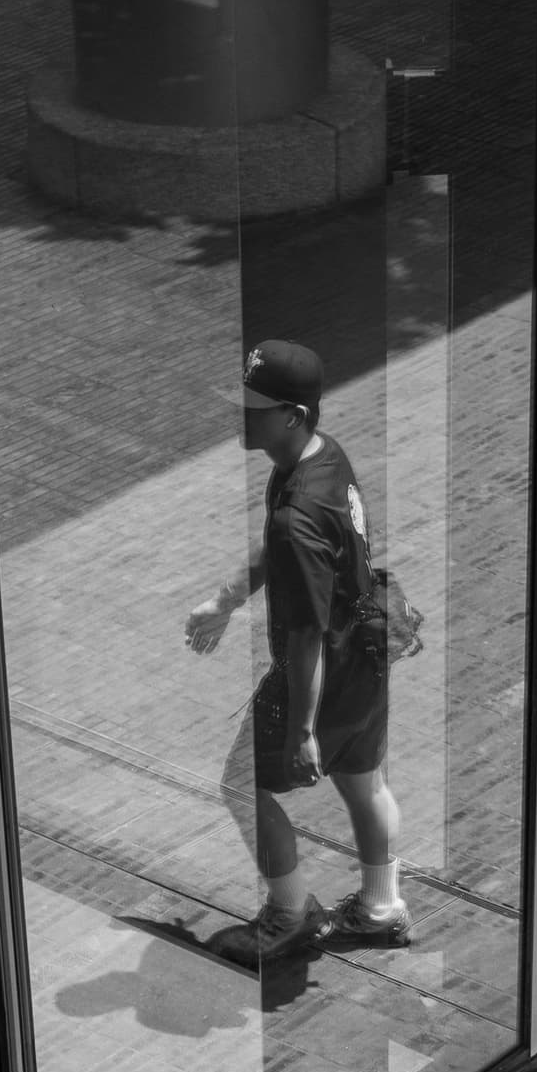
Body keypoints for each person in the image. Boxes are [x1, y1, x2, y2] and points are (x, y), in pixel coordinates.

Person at [182, 339, 408, 966]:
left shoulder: (297, 512)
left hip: (327, 668)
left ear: (292, 416)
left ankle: (288, 914)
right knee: (364, 781)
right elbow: (275, 551)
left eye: (254, 408)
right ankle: (382, 908)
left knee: (243, 784)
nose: (241, 417)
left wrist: (303, 730)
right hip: (368, 651)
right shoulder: (319, 458)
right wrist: (226, 600)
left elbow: (306, 633)